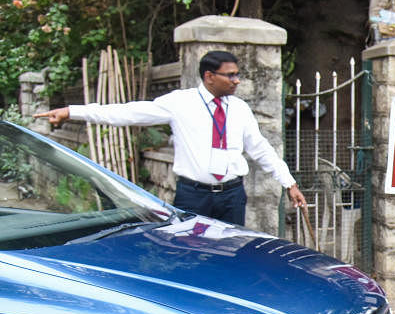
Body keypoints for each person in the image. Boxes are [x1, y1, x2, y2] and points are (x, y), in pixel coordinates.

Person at [37, 50, 306, 226]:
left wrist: (289, 183)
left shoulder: (239, 108)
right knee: (190, 254)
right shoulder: (181, 103)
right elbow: (128, 112)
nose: (236, 80)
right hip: (194, 196)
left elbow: (261, 149)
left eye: (238, 74)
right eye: (230, 75)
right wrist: (72, 112)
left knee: (230, 255)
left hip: (232, 196)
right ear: (209, 76)